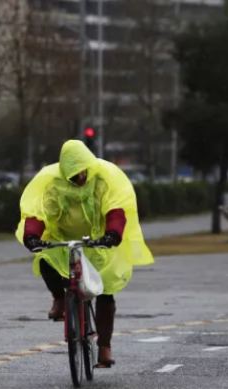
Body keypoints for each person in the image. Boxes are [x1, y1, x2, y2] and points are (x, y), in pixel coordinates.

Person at [16, 139, 154, 368]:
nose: (78, 179)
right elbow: (40, 214)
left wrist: (112, 234)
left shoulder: (102, 181)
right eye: (72, 176)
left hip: (99, 241)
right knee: (44, 260)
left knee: (105, 292)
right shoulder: (54, 185)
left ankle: (104, 346)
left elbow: (115, 209)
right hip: (62, 239)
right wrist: (32, 235)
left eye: (81, 173)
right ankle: (60, 299)